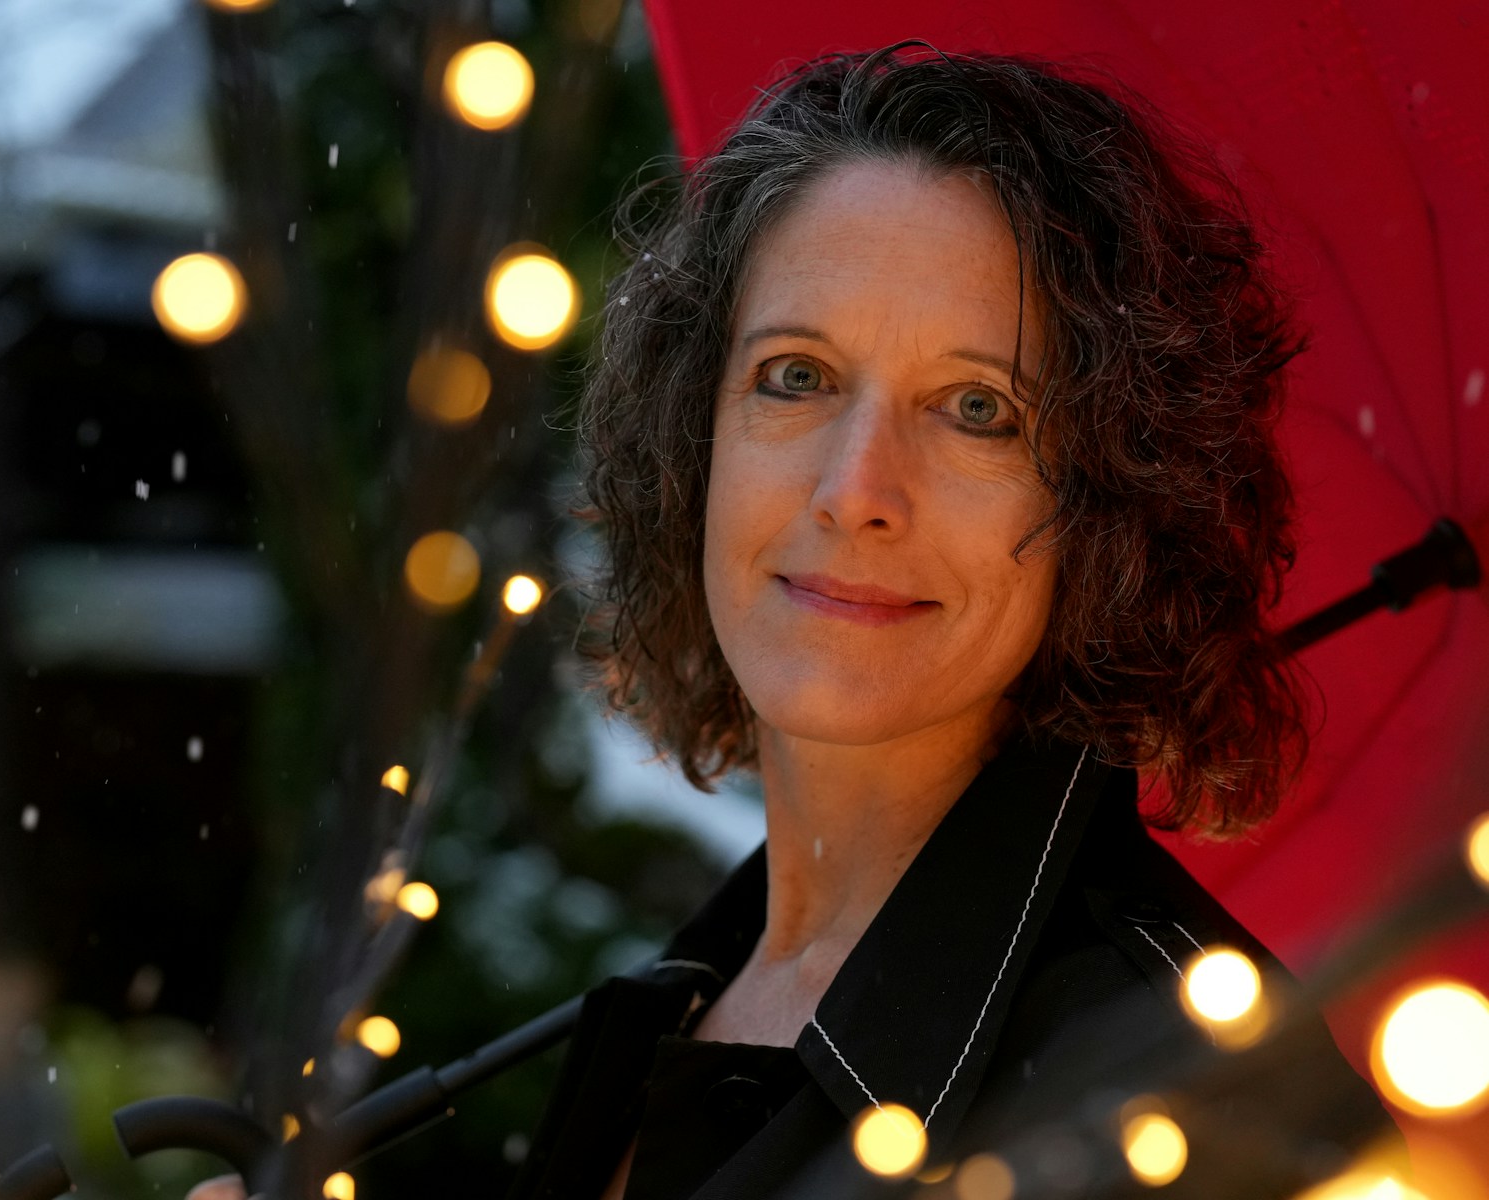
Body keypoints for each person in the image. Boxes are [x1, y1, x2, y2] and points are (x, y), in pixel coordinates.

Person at [190, 42, 1398, 1200]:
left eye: (976, 408)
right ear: (691, 431)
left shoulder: (1199, 1104)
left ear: (1112, 499)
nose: (853, 490)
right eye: (796, 377)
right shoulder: (684, 1007)